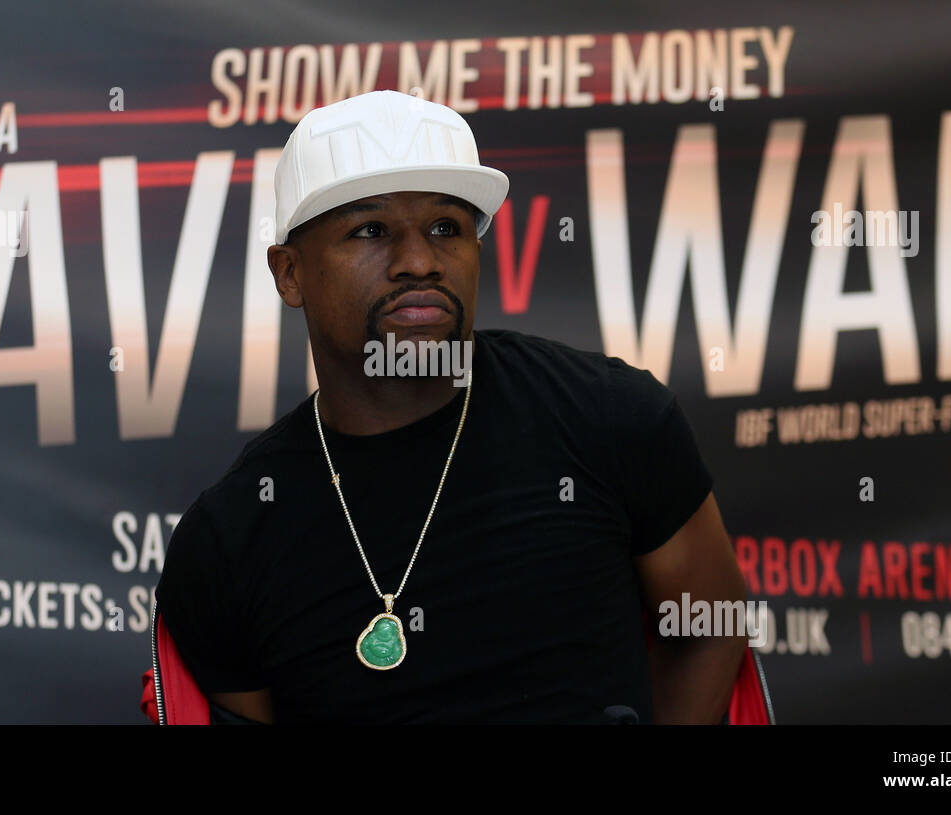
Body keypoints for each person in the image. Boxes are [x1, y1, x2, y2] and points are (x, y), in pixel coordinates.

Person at [153, 89, 748, 724]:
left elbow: (708, 630)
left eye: (446, 228)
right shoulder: (231, 538)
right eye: (371, 230)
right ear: (289, 273)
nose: (419, 262)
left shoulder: (612, 419)